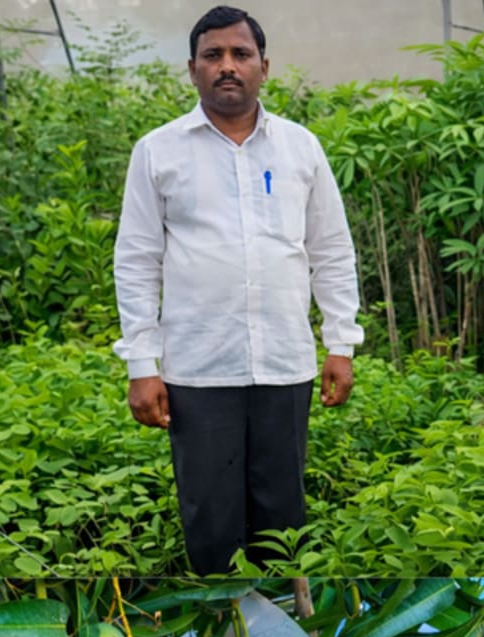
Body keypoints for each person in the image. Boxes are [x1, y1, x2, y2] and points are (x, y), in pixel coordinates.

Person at [113, 5, 363, 574]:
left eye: (241, 55)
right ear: (192, 69)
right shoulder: (158, 151)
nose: (228, 66)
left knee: (282, 514)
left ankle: (280, 628)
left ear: (264, 67)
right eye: (214, 56)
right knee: (210, 514)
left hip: (284, 363)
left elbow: (331, 251)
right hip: (198, 368)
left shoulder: (301, 149)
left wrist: (341, 343)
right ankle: (220, 636)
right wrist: (140, 364)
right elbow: (136, 261)